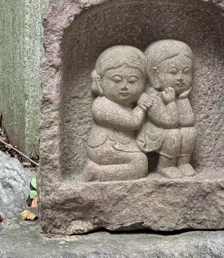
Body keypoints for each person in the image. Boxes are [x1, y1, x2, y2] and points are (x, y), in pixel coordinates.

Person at [84, 45, 154, 181]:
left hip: (123, 144)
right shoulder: (102, 105)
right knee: (140, 163)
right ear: (100, 81)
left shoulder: (127, 103)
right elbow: (133, 122)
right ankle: (96, 172)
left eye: (132, 81)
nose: (124, 87)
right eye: (116, 80)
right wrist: (141, 106)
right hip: (106, 147)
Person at [137, 40, 197, 178]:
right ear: (155, 74)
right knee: (173, 134)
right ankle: (166, 165)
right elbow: (170, 122)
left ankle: (183, 162)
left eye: (186, 72)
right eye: (173, 72)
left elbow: (188, 121)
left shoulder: (180, 96)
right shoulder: (151, 97)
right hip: (154, 133)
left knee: (190, 132)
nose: (180, 78)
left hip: (171, 127)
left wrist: (182, 100)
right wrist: (170, 102)